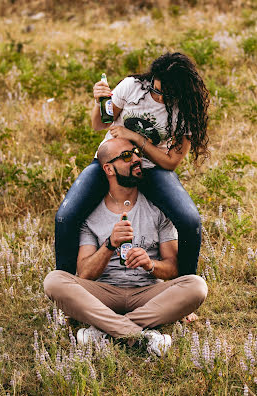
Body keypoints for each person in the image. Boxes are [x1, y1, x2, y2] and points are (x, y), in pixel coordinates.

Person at [45, 138, 208, 357]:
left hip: (147, 292)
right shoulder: (90, 214)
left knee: (196, 286)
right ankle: (140, 335)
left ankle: (105, 330)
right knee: (54, 281)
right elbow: (84, 273)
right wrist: (109, 244)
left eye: (135, 153)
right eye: (126, 156)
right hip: (104, 293)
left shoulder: (158, 210)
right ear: (108, 169)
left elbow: (173, 268)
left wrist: (150, 265)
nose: (136, 159)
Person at [55, 51, 210, 276]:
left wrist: (137, 138)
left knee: (189, 220)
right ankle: (67, 293)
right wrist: (100, 102)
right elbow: (100, 124)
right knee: (66, 216)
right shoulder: (132, 86)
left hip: (152, 169)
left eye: (167, 95)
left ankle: (185, 290)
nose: (158, 97)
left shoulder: (186, 110)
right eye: (156, 90)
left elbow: (171, 162)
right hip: (112, 163)